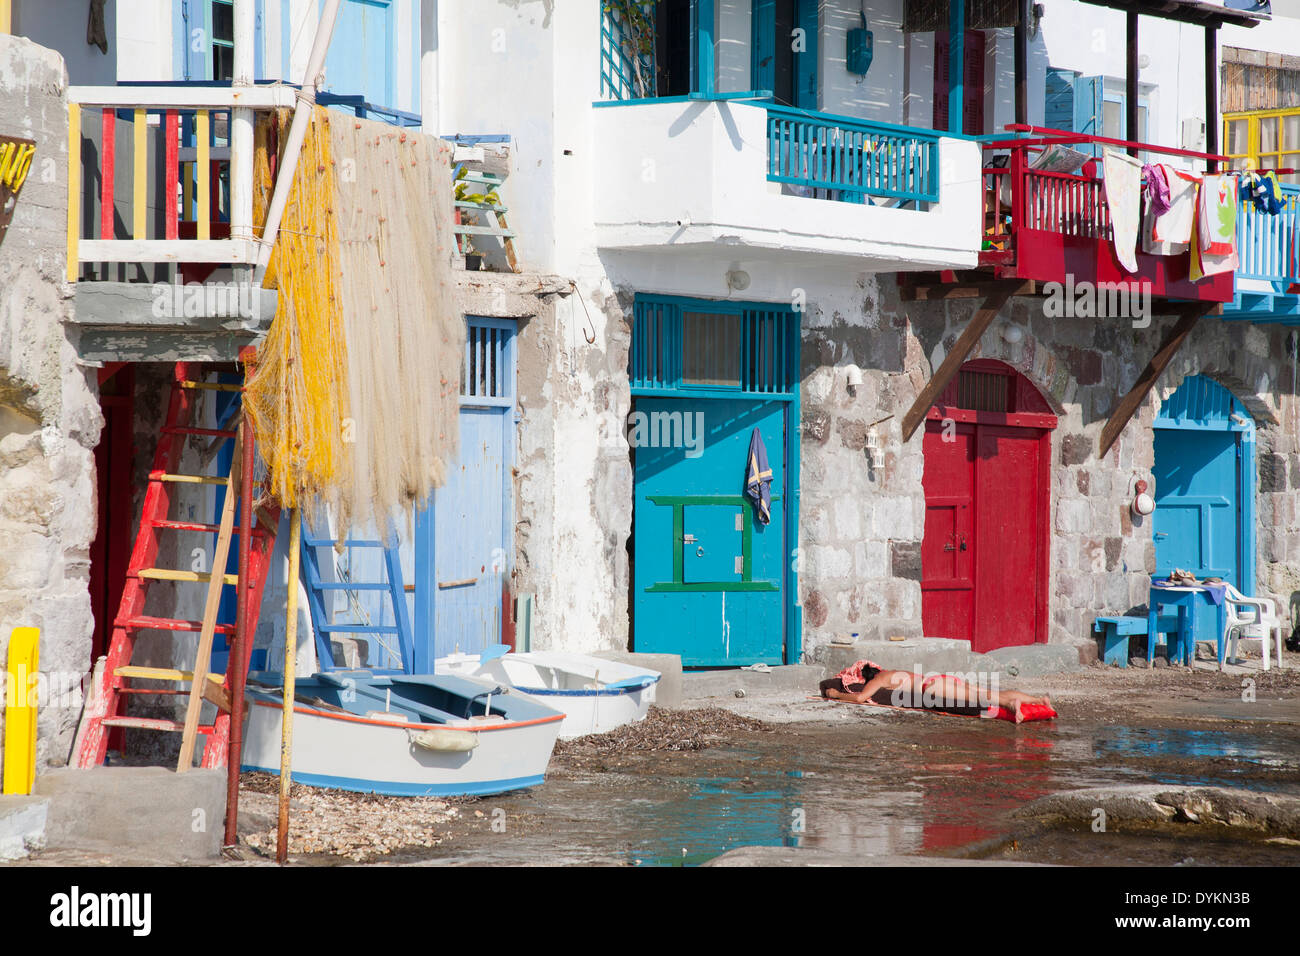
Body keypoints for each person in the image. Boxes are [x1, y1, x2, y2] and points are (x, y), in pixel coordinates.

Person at [819, 660, 1051, 724]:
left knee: (987, 697)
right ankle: (1039, 700)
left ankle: (1013, 708)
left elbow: (860, 697)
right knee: (988, 691)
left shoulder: (880, 679)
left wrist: (836, 695)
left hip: (931, 687)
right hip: (938, 678)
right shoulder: (894, 671)